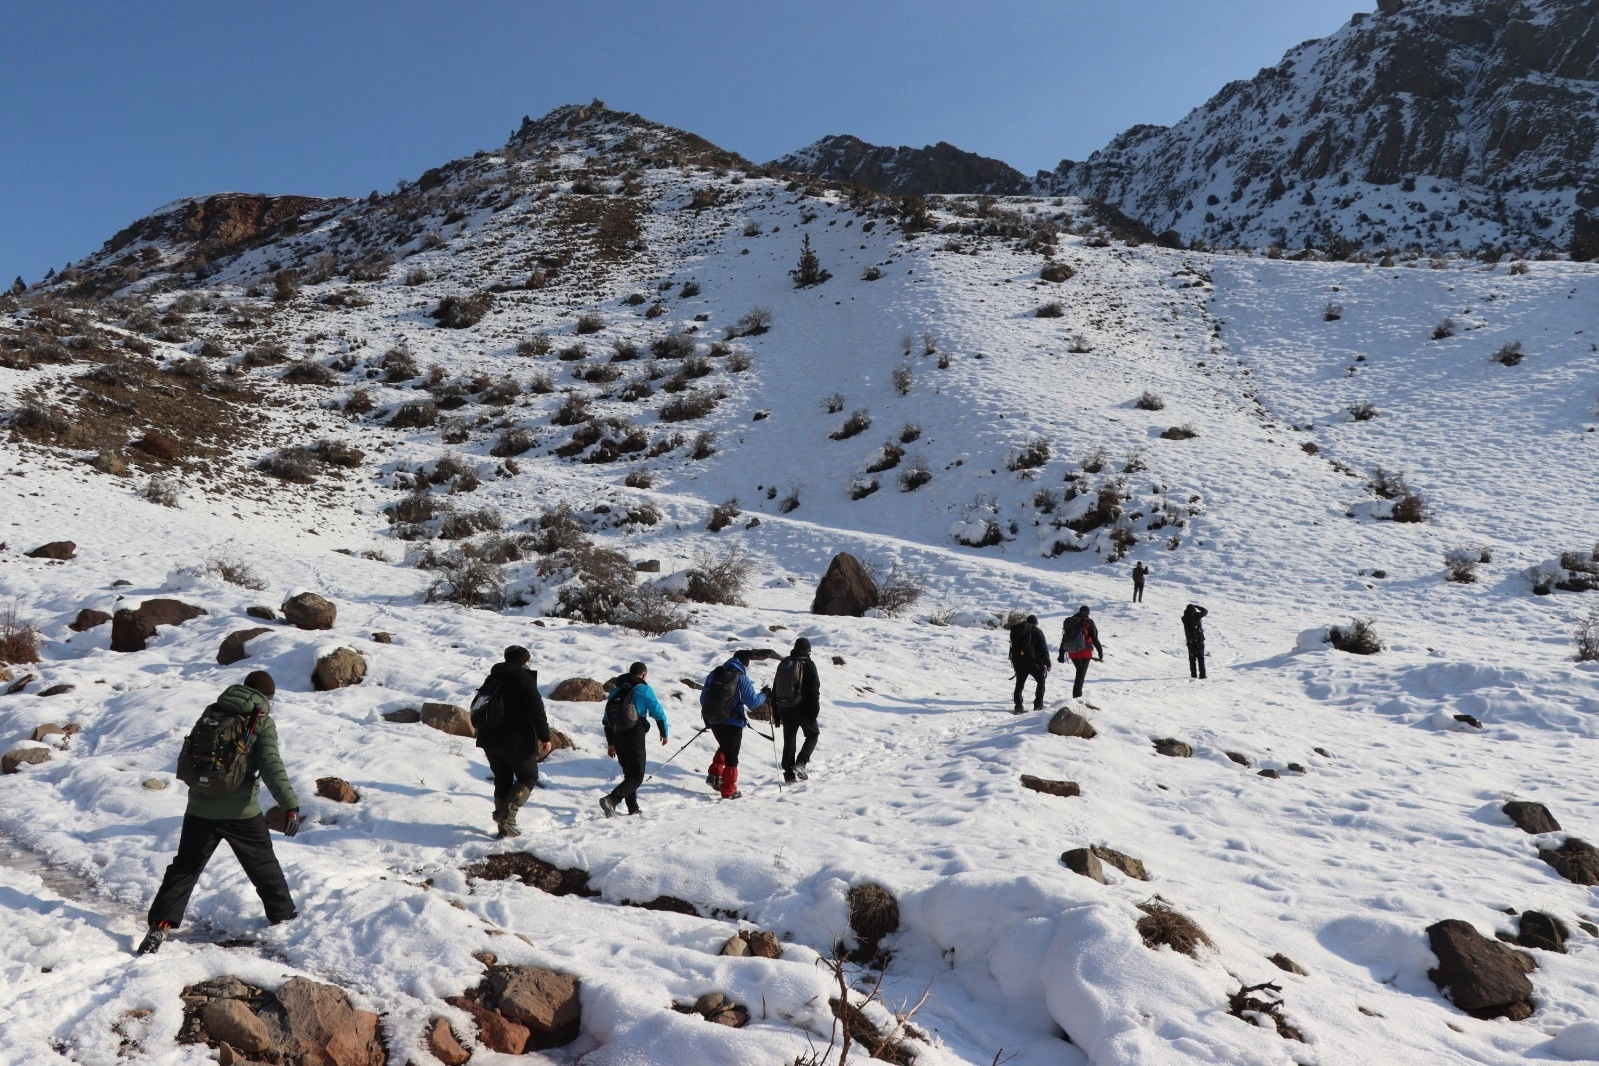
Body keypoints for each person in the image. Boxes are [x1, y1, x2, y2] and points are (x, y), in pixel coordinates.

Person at [139, 671, 298, 955]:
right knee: (263, 865)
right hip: (241, 812)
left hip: (199, 808)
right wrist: (289, 804)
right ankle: (283, 916)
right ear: (267, 696)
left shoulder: (213, 711)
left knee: (185, 867)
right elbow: (272, 767)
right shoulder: (261, 722)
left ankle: (158, 927)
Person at [475, 646, 552, 839]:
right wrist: (545, 737)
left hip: (489, 738)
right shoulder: (524, 679)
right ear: (523, 661)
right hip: (514, 740)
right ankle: (507, 815)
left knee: (502, 780)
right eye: (528, 659)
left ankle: (504, 830)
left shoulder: (494, 677)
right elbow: (537, 710)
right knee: (529, 776)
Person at [599, 662, 669, 817]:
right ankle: (611, 799)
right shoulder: (643, 689)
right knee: (637, 776)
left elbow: (606, 720)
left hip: (617, 735)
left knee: (629, 774)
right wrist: (664, 732)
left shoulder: (616, 690)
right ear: (643, 674)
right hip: (634, 734)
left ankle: (633, 808)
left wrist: (611, 743)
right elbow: (658, 712)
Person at [701, 650, 769, 800]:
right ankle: (729, 790)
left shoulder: (714, 674)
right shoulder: (741, 678)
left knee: (725, 747)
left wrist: (711, 715)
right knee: (732, 756)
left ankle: (714, 774)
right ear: (745, 663)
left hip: (714, 720)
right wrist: (765, 694)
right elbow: (753, 702)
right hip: (733, 723)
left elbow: (703, 698)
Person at [772, 637, 821, 782]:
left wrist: (776, 713)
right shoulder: (808, 664)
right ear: (807, 650)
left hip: (785, 708)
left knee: (789, 740)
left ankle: (789, 776)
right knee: (813, 734)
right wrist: (815, 709)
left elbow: (775, 689)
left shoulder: (784, 663)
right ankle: (801, 763)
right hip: (803, 708)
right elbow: (814, 689)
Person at [1057, 605, 1105, 699]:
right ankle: (1077, 697)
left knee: (1079, 673)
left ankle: (1077, 695)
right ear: (1088, 613)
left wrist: (1061, 654)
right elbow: (1094, 638)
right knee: (1080, 675)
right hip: (1085, 652)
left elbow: (1064, 639)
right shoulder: (1088, 622)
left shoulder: (1070, 622)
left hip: (1072, 651)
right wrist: (1100, 651)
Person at [1008, 615, 1051, 714]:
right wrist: (1048, 663)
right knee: (1041, 681)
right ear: (1036, 623)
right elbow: (1044, 649)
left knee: (1019, 684)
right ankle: (1038, 705)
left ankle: (1018, 707)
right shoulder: (1037, 632)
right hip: (1033, 663)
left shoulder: (1018, 630)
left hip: (1018, 662)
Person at [1182, 603, 1209, 679]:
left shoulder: (1184, 618)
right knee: (1200, 658)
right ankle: (1202, 675)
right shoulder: (1197, 616)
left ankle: (1193, 676)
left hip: (1190, 641)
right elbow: (1205, 611)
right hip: (1199, 640)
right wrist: (1197, 606)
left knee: (1192, 659)